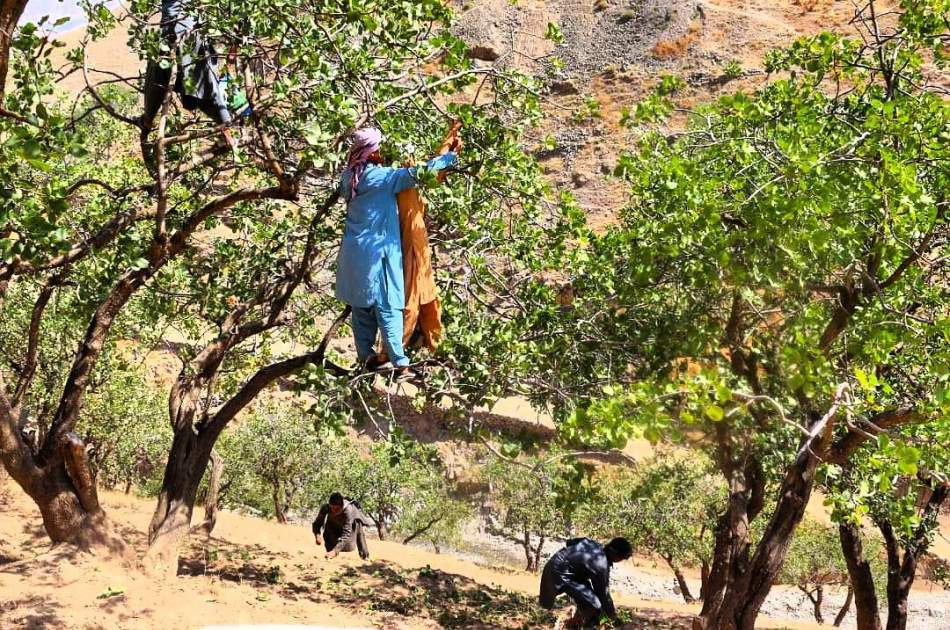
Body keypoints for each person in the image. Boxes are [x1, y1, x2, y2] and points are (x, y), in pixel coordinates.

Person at [335, 127, 460, 381]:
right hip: (377, 254)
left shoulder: (349, 177)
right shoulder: (383, 178)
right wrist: (449, 157)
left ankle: (366, 358)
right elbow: (420, 173)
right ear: (372, 152)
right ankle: (400, 365)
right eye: (378, 148)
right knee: (389, 307)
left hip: (352, 255)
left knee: (361, 309)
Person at [140, 0, 235, 148]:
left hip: (178, 31)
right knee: (205, 83)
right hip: (191, 31)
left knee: (156, 76)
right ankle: (226, 129)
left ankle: (147, 120)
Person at [539, 537, 633, 628]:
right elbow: (603, 594)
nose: (621, 560)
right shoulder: (600, 564)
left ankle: (579, 622)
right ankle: (575, 625)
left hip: (564, 566)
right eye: (622, 558)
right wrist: (612, 616)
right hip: (560, 572)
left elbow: (570, 542)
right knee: (595, 604)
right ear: (615, 554)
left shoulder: (593, 544)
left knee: (592, 601)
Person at [311, 492, 371, 560]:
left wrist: (336, 550)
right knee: (328, 529)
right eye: (332, 508)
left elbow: (346, 534)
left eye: (336, 509)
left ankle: (365, 556)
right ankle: (330, 553)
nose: (334, 511)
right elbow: (317, 524)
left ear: (342, 506)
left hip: (353, 522)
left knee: (358, 530)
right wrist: (317, 535)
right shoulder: (326, 508)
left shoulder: (348, 510)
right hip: (335, 523)